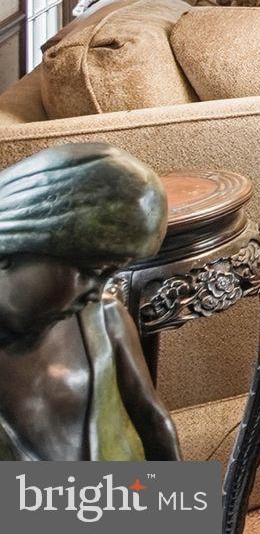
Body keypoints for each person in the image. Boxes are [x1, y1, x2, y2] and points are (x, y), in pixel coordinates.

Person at [0, 144, 179, 461]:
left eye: (110, 274)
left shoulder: (104, 318)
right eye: (90, 271)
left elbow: (155, 422)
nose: (96, 292)